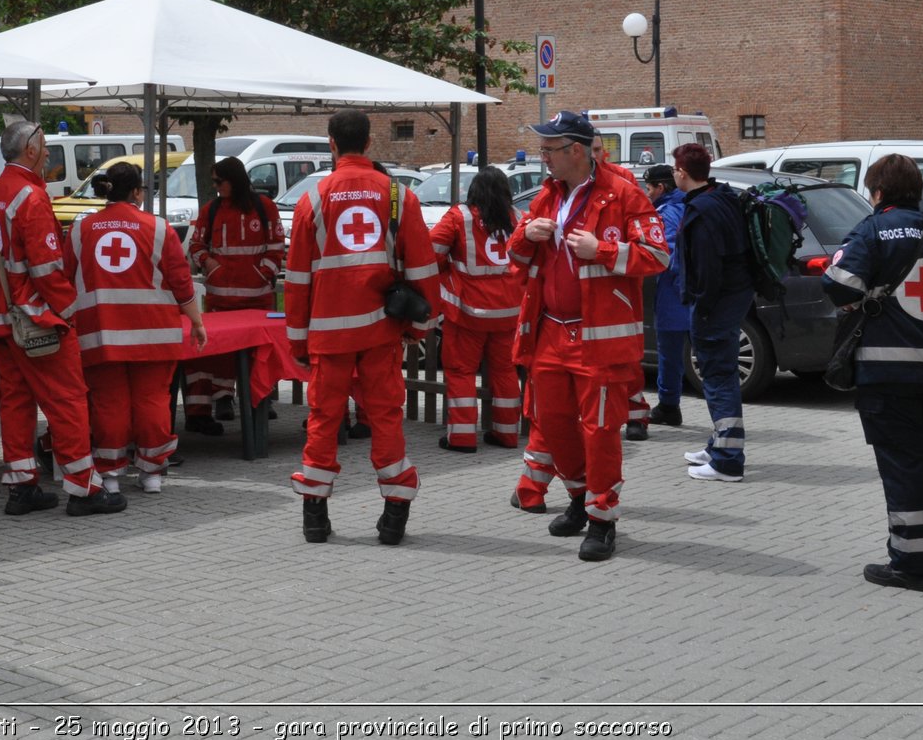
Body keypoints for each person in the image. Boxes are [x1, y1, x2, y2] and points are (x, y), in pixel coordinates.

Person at [507, 111, 667, 562]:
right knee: (554, 426)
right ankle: (578, 497)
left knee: (599, 431)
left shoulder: (623, 194)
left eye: (548, 151)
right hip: (550, 333)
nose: (542, 159)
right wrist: (526, 233)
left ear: (574, 150)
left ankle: (602, 518)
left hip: (599, 339)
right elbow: (515, 258)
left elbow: (658, 255)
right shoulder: (546, 197)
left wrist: (603, 251)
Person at [286, 109, 439, 546]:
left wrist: (298, 340)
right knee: (386, 417)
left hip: (328, 334)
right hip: (381, 331)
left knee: (323, 418)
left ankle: (314, 518)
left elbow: (297, 280)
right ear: (370, 143)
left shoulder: (312, 200)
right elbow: (423, 267)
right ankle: (394, 516)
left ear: (331, 144)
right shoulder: (398, 195)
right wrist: (421, 327)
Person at [0, 119, 126, 517]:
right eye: (46, 146)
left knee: (15, 402)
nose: (50, 153)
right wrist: (69, 314)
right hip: (34, 320)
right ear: (30, 150)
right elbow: (48, 270)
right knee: (67, 400)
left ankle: (22, 487)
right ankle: (84, 489)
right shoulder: (30, 199)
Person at [824, 153, 923, 594]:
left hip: (890, 370)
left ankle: (911, 564)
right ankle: (916, 548)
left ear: (879, 192)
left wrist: (868, 294)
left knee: (902, 465)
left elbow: (837, 284)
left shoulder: (873, 229)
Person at [67, 162, 206, 494]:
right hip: (154, 335)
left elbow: (64, 278)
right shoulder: (158, 228)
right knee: (152, 401)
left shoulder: (80, 230)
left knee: (108, 402)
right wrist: (197, 321)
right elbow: (181, 281)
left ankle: (111, 475)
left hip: (101, 333)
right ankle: (152, 473)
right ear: (137, 192)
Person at [184, 156, 285, 434]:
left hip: (258, 300)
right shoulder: (211, 210)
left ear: (235, 180)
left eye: (220, 181)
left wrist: (263, 272)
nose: (216, 187)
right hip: (221, 300)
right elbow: (196, 245)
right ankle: (222, 400)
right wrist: (210, 264)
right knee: (218, 356)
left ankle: (261, 400)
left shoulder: (264, 208)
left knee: (259, 355)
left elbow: (277, 247)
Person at [672, 143, 754, 483]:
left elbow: (707, 269)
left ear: (682, 173)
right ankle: (719, 443)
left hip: (715, 307)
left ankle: (728, 460)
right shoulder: (722, 198)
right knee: (721, 375)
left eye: (675, 168)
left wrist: (702, 309)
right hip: (732, 300)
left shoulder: (703, 212)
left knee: (719, 377)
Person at [429, 166, 523, 451]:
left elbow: (430, 253)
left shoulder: (460, 217)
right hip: (509, 311)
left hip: (468, 312)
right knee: (506, 372)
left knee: (461, 372)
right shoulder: (519, 218)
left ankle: (461, 437)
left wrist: (448, 273)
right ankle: (507, 434)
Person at [593, 132, 653, 441]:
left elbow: (643, 244)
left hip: (622, 283)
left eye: (598, 149)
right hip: (591, 292)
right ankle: (608, 414)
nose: (595, 156)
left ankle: (636, 414)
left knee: (628, 357)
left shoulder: (622, 180)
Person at [642, 165, 689, 427]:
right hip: (693, 293)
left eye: (649, 188)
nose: (647, 193)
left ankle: (669, 406)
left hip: (675, 293)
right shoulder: (689, 204)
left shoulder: (668, 212)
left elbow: (667, 255)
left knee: (669, 353)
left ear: (661, 188)